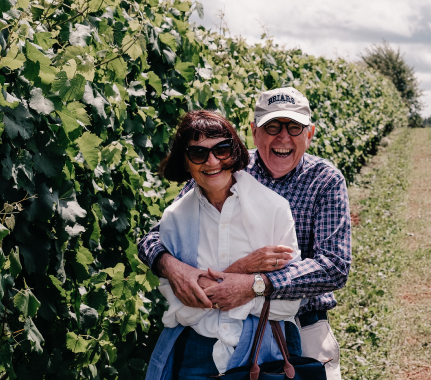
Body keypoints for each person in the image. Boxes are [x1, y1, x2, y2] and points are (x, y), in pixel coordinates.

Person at [139, 87, 351, 379]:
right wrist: (171, 266)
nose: (283, 137)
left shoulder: (324, 179)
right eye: (272, 127)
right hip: (221, 324)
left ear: (310, 133)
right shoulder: (226, 164)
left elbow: (334, 267)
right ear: (254, 132)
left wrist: (255, 283)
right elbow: (156, 236)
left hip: (302, 323)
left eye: (294, 127)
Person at [145, 110, 302, 379]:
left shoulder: (274, 209)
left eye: (222, 149)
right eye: (198, 153)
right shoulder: (174, 219)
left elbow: (288, 305)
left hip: (262, 355)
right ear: (185, 161)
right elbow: (179, 307)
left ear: (235, 152)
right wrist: (244, 272)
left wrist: (210, 290)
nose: (212, 161)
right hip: (196, 357)